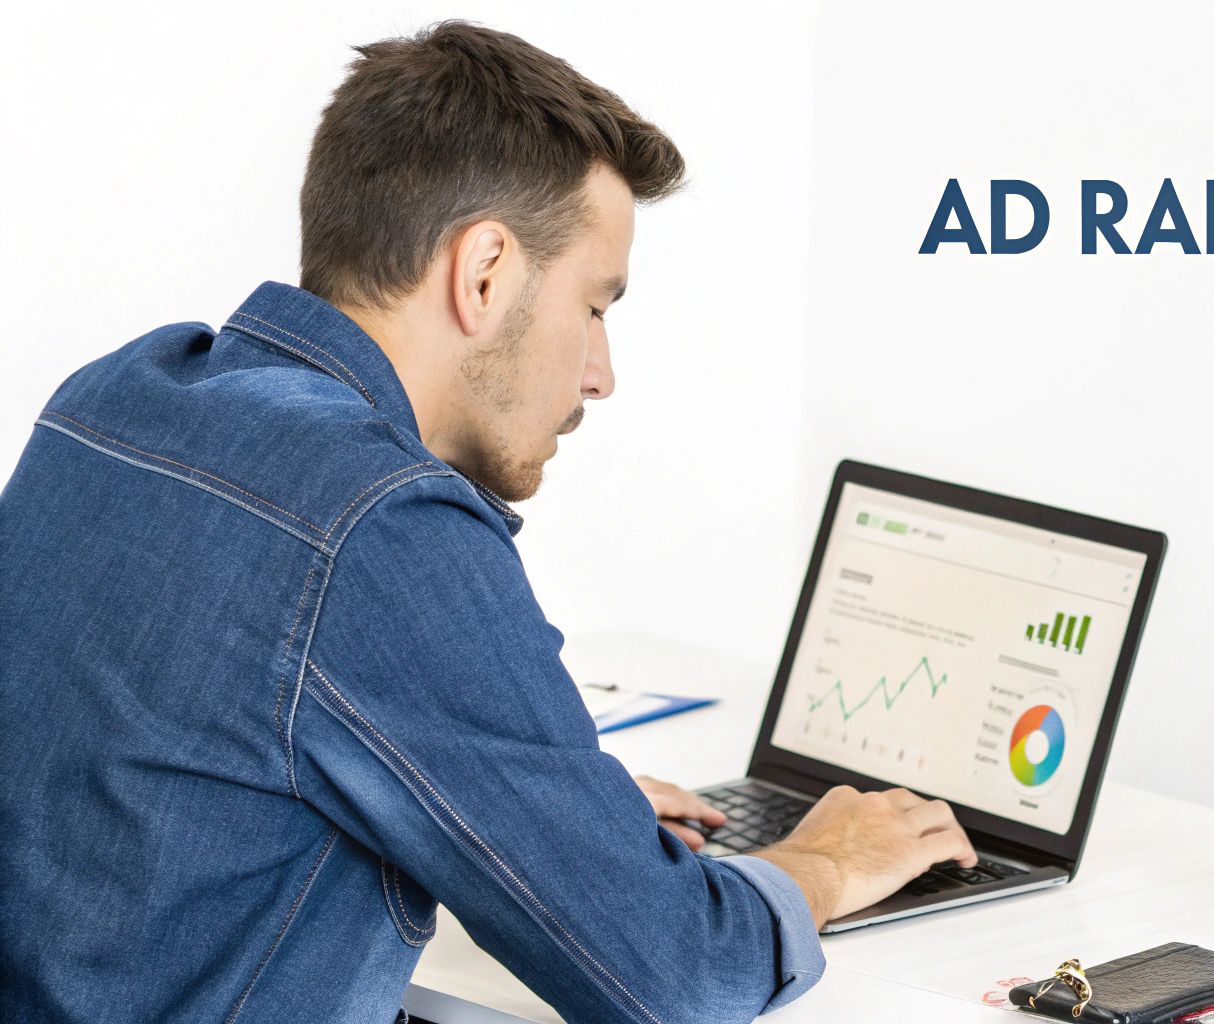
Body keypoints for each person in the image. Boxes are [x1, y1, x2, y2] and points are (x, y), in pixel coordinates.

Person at [0, 20, 976, 1024]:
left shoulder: (120, 394)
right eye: (595, 306)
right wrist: (819, 860)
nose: (601, 373)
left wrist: (528, 811)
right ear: (484, 273)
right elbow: (675, 975)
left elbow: (183, 767)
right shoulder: (378, 522)